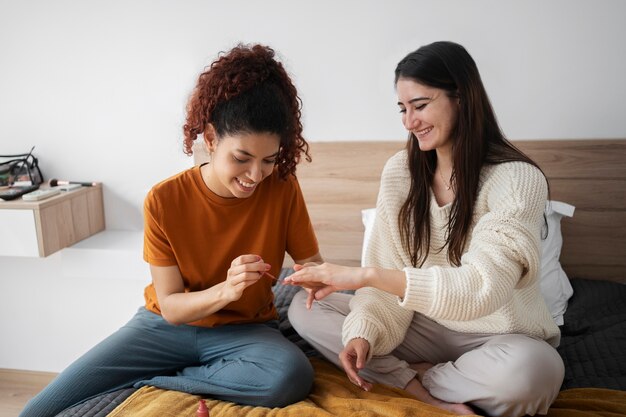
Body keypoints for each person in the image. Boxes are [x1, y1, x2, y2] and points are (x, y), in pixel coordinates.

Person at [20, 43, 322, 417]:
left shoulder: (282, 187)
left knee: (291, 375)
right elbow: (173, 308)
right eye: (241, 159)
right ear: (210, 139)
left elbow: (311, 264)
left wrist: (329, 287)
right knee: (37, 410)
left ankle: (158, 381)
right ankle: (164, 371)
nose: (256, 175)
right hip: (162, 328)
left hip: (245, 331)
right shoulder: (164, 200)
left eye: (269, 160)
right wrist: (226, 290)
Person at [286, 41, 564, 417]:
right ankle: (426, 389)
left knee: (536, 371)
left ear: (461, 98)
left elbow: (483, 288)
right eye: (402, 109)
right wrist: (363, 332)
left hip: (495, 332)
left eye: (420, 105)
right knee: (306, 309)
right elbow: (383, 291)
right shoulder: (400, 172)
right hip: (418, 326)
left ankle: (415, 379)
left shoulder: (517, 179)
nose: (408, 122)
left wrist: (365, 275)